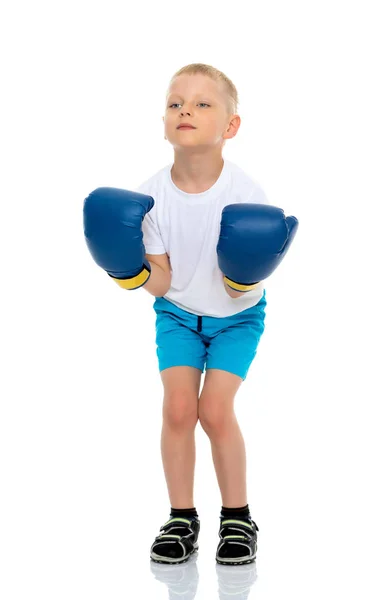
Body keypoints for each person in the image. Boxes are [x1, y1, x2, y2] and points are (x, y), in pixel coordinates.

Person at [83, 63, 298, 566]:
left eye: (203, 103)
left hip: (236, 317)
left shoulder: (245, 194)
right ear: (163, 121)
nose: (186, 110)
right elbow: (162, 279)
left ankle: (238, 517)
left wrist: (245, 276)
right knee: (178, 409)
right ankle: (181, 517)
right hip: (177, 314)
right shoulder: (149, 196)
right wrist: (127, 272)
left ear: (230, 126)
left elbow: (244, 276)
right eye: (176, 102)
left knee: (214, 411)